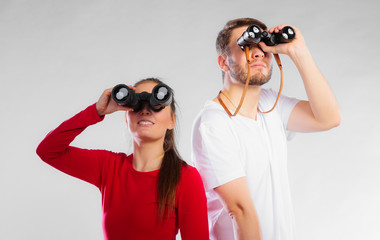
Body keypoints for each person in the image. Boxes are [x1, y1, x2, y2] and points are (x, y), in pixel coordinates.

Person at [191, 18, 341, 240]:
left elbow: (329, 118)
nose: (258, 53)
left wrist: (299, 52)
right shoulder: (213, 123)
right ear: (223, 63)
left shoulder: (271, 105)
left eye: (263, 46)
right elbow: (240, 211)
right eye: (247, 46)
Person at [36, 78, 209, 240]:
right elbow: (48, 150)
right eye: (137, 105)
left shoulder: (185, 177)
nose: (145, 110)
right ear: (126, 120)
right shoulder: (109, 167)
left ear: (172, 121)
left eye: (156, 105)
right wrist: (96, 111)